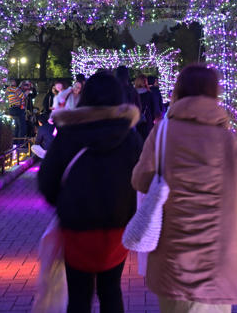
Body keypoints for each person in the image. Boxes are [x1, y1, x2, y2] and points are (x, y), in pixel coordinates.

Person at [131, 65, 237, 313]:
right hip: (219, 259)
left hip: (175, 257)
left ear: (179, 90)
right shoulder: (226, 139)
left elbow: (140, 180)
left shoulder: (163, 131)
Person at [39, 71, 142, 313]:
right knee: (111, 290)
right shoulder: (130, 137)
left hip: (76, 227)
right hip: (118, 228)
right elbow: (142, 182)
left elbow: (47, 179)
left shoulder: (68, 133)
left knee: (78, 296)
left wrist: (65, 203)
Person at [133, 74, 160, 140]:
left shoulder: (133, 93)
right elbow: (154, 107)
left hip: (135, 118)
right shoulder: (149, 94)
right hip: (147, 118)